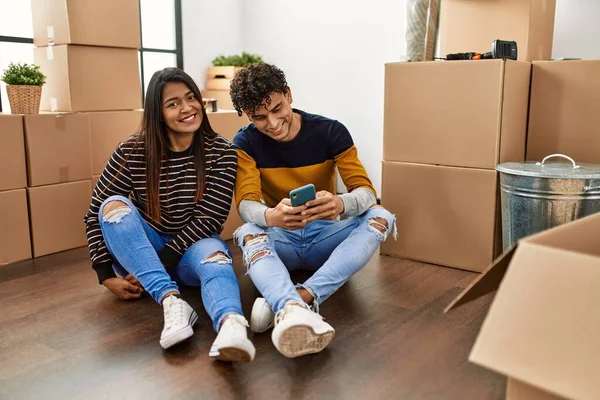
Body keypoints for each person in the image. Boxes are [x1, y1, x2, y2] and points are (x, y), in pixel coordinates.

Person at [83, 67, 255, 362]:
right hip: (142, 253)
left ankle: (232, 325)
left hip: (191, 249)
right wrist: (104, 275)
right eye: (173, 103)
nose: (187, 108)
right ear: (157, 113)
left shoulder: (223, 153)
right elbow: (94, 213)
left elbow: (209, 220)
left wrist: (165, 259)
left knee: (217, 255)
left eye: (191, 98)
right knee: (111, 205)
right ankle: (171, 301)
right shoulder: (132, 150)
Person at [229, 63, 396, 358]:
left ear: (289, 95)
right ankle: (293, 307)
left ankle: (296, 299)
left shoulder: (331, 131)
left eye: (277, 108)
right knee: (247, 231)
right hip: (281, 237)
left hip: (325, 238)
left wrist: (341, 203)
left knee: (381, 216)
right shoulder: (244, 143)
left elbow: (367, 193)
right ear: (247, 115)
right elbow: (246, 204)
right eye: (259, 117)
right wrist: (271, 216)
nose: (272, 123)